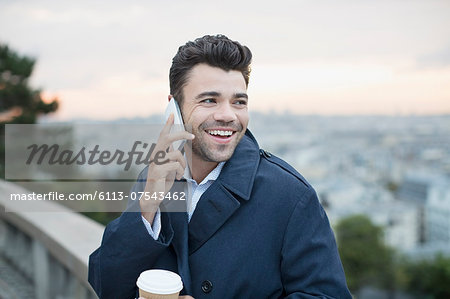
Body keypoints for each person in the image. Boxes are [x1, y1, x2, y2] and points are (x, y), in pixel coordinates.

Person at [88, 34, 352, 299]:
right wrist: (147, 205)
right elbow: (108, 285)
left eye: (239, 101)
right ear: (174, 109)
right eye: (209, 100)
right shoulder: (155, 177)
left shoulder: (290, 196)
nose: (228, 115)